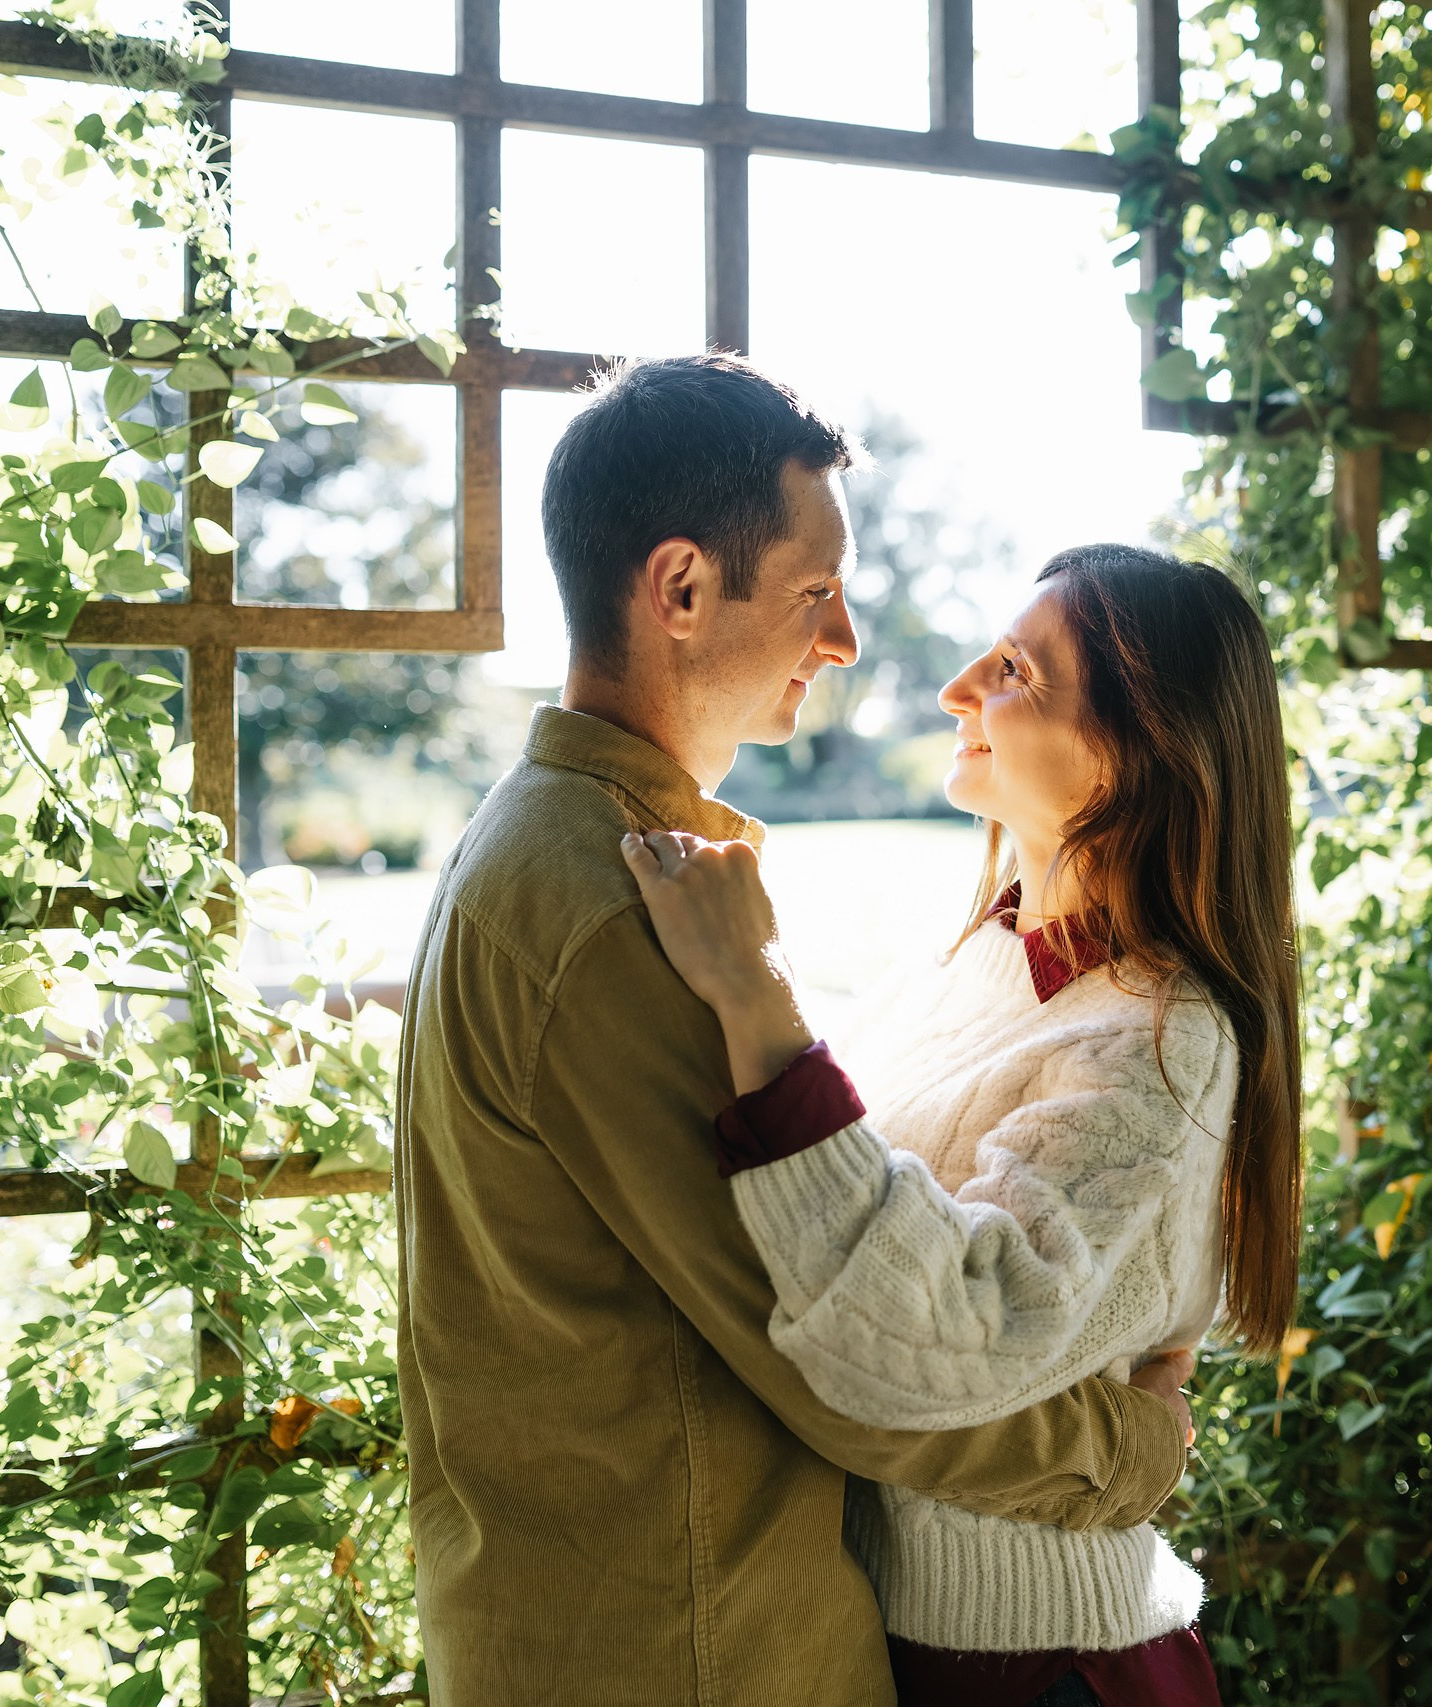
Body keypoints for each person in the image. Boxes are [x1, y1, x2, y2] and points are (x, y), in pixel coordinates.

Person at [393, 356, 1197, 1707]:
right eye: (819, 591)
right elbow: (849, 1355)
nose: (849, 644)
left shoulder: (544, 842)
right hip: (697, 1650)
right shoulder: (617, 903)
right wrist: (1129, 1447)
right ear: (684, 588)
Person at [623, 544, 1305, 1707]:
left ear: (1134, 752)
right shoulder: (982, 954)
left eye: (1016, 673)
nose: (955, 691)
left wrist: (753, 995)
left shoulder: (1161, 1034)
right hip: (899, 1646)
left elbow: (930, 1341)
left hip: (1048, 1672)